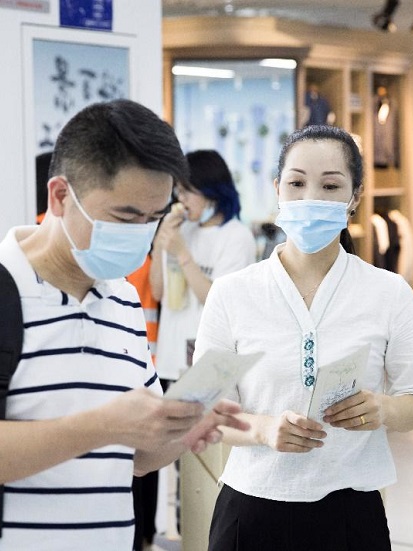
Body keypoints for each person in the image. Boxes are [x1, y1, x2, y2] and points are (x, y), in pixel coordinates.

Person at [0, 99, 247, 551]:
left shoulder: (122, 298)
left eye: (154, 217)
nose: (141, 233)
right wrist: (101, 426)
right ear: (61, 196)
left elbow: (138, 459)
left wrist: (184, 430)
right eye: (125, 216)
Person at [195, 125, 413, 551]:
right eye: (296, 183)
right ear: (277, 189)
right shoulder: (233, 293)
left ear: (355, 197)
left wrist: (382, 409)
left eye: (330, 185)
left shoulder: (388, 293)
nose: (311, 197)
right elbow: (204, 407)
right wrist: (261, 428)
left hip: (350, 511)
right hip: (251, 510)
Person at [147, 150, 257, 548]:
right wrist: (163, 245)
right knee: (166, 444)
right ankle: (167, 527)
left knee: (202, 448)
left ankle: (200, 526)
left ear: (212, 192)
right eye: (179, 190)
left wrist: (180, 252)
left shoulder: (237, 237)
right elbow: (158, 293)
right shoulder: (182, 231)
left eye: (188, 190)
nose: (182, 199)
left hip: (207, 360)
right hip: (171, 353)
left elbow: (217, 301)